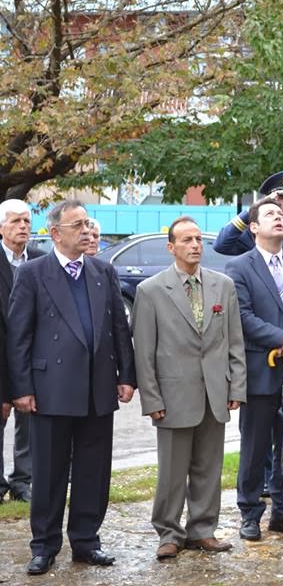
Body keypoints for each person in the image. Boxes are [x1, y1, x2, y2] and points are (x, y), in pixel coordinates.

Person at [7, 200, 136, 575]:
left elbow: (119, 328)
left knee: (93, 471)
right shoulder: (33, 273)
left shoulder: (102, 271)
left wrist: (126, 376)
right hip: (51, 389)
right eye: (77, 224)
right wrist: (22, 388)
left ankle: (86, 540)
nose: (86, 231)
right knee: (48, 473)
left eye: (87, 224)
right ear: (55, 232)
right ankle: (44, 546)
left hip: (97, 388)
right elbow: (19, 337)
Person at [132, 216, 247, 560]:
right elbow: (145, 351)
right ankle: (168, 532)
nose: (195, 245)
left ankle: (203, 529)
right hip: (172, 395)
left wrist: (236, 388)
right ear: (171, 247)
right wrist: (151, 397)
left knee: (208, 468)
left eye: (198, 239)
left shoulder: (222, 286)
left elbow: (234, 342)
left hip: (215, 392)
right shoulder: (150, 290)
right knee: (171, 471)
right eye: (186, 240)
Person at [215, 170, 283, 496]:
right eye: (274, 207)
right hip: (262, 366)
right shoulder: (240, 264)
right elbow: (244, 316)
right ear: (254, 225)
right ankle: (250, 509)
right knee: (255, 446)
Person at [0, 199, 44, 504]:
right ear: (1, 226)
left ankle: (22, 479)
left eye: (27, 221)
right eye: (16, 221)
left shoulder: (40, 261)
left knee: (29, 422)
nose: (23, 227)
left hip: (32, 358)